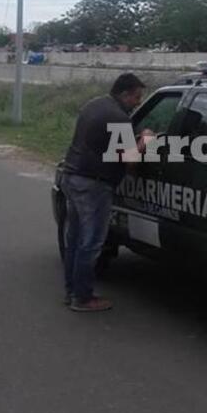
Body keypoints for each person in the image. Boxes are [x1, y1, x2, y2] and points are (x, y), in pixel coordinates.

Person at [60, 73, 145, 312]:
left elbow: (104, 142)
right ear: (124, 94)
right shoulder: (119, 118)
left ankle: (72, 291)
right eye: (136, 97)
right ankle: (83, 298)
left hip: (73, 177)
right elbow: (130, 160)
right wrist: (145, 141)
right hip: (94, 185)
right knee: (91, 242)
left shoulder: (94, 105)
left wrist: (132, 140)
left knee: (75, 240)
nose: (138, 102)